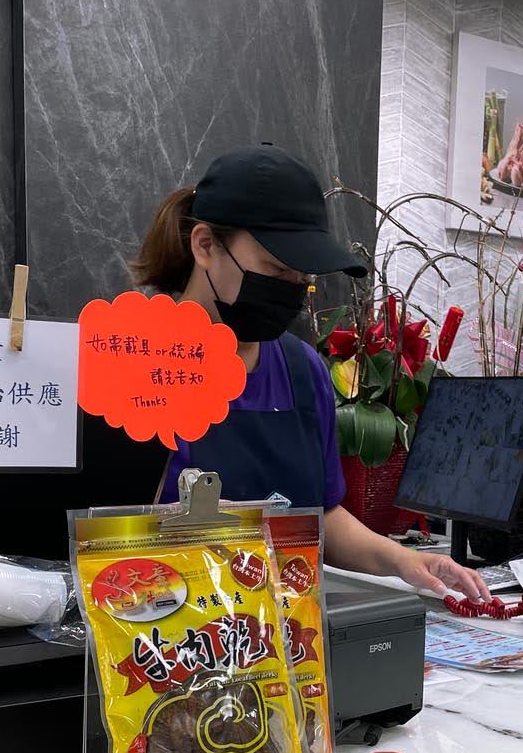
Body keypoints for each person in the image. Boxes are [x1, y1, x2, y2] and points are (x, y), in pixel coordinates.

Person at [131, 145, 489, 600]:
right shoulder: (137, 366)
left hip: (281, 642)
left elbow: (322, 517)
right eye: (275, 269)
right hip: (167, 633)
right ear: (205, 246)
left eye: (301, 278)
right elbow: (104, 531)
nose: (289, 291)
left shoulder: (303, 371)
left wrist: (404, 561)